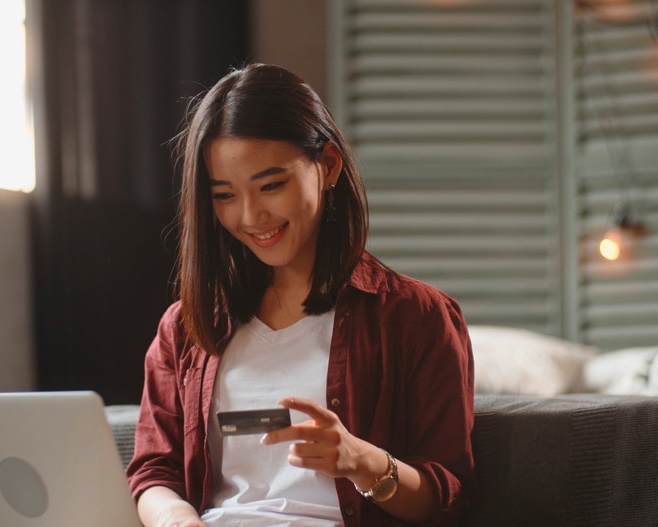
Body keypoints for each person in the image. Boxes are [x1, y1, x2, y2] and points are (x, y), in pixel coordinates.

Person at [127, 63, 477, 527]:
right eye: (225, 195)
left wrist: (363, 462)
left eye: (271, 185)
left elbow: (446, 497)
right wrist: (176, 519)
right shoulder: (186, 326)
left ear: (327, 166)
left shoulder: (416, 318)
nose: (251, 216)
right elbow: (156, 471)